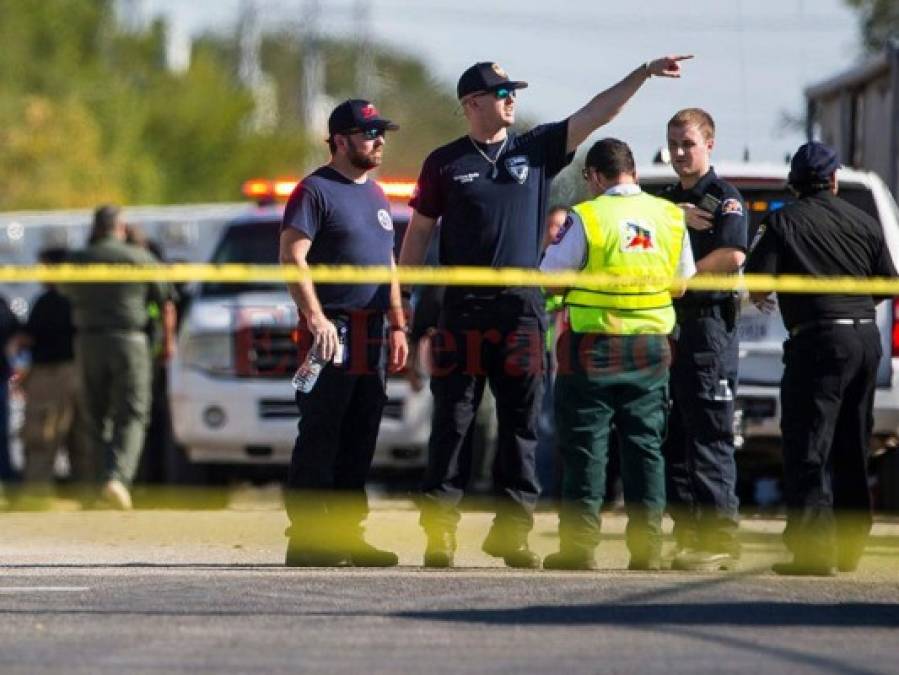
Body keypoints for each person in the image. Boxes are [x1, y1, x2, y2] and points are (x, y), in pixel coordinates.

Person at [400, 55, 693, 568]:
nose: (511, 98)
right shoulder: (444, 163)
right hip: (462, 312)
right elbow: (420, 231)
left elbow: (596, 114)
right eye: (501, 92)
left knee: (521, 423)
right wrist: (405, 299)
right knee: (454, 422)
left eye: (513, 91)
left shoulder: (534, 149)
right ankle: (439, 533)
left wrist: (641, 73)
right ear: (471, 104)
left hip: (520, 313)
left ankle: (512, 532)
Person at [540, 138, 695, 570]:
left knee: (587, 447)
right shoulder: (667, 216)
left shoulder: (587, 216)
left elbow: (550, 279)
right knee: (645, 447)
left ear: (593, 177)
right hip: (651, 349)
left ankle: (579, 549)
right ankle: (647, 552)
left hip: (593, 347)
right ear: (635, 173)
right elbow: (682, 284)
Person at [745, 142, 897, 576]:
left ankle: (814, 552)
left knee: (809, 444)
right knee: (853, 445)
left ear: (794, 184)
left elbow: (757, 283)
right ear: (832, 180)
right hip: (865, 342)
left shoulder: (782, 221)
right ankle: (849, 549)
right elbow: (888, 285)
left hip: (816, 343)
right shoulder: (864, 221)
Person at [279, 99, 409, 567]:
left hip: (372, 333)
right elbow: (293, 259)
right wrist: (315, 320)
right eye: (369, 132)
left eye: (381, 132)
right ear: (339, 140)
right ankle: (310, 539)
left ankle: (348, 535)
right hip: (330, 333)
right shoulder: (314, 191)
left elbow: (389, 265)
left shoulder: (376, 195)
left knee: (360, 437)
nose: (379, 141)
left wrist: (398, 323)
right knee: (321, 434)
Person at [659, 108, 747, 571]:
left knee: (710, 435)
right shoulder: (671, 200)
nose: (678, 153)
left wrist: (685, 280)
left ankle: (719, 539)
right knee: (676, 437)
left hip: (708, 329)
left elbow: (732, 253)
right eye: (673, 143)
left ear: (709, 144)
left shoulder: (723, 198)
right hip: (670, 330)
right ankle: (688, 533)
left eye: (687, 144)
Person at [63, 206, 172, 510]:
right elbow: (165, 301)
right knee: (132, 415)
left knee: (93, 417)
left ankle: (98, 485)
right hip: (131, 341)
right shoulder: (139, 257)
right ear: (121, 227)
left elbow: (63, 292)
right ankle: (117, 480)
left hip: (88, 341)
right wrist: (168, 343)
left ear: (96, 228)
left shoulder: (78, 259)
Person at [16, 248, 85, 505]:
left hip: (51, 376)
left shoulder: (48, 302)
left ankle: (36, 495)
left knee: (41, 436)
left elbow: (28, 338)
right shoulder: (81, 298)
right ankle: (87, 495)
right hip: (78, 372)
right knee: (81, 440)